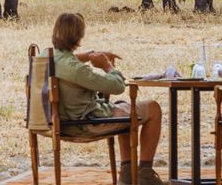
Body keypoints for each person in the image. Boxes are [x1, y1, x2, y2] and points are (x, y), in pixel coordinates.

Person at [46, 12, 166, 185]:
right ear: (79, 36)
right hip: (83, 125)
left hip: (55, 121)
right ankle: (145, 173)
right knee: (153, 108)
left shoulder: (45, 57)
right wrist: (107, 66)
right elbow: (117, 86)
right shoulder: (77, 70)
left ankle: (127, 172)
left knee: (122, 106)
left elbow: (65, 59)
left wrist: (89, 56)